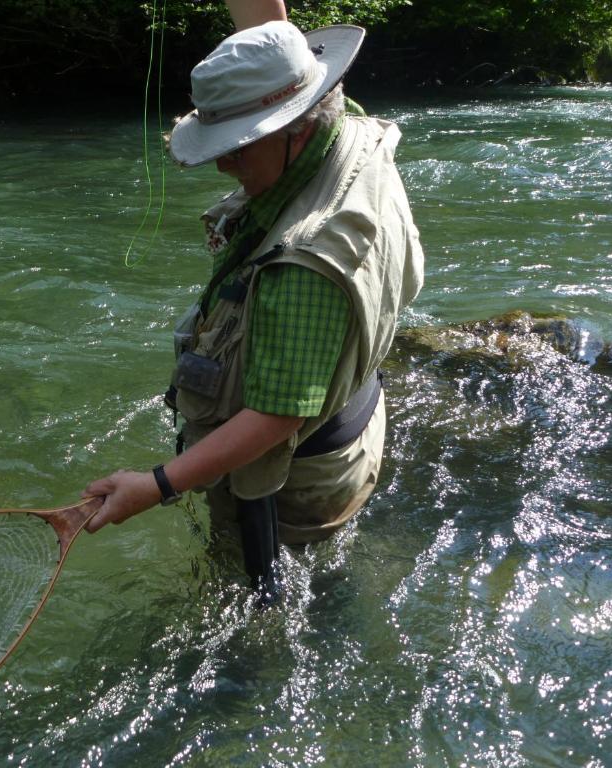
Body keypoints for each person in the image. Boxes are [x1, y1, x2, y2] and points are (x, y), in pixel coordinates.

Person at [83, 3, 423, 592]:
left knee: (260, 608)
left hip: (294, 485)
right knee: (320, 580)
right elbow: (270, 45)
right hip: (355, 415)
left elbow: (277, 416)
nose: (222, 164)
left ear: (300, 126)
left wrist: (158, 485)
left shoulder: (304, 264)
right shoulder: (350, 132)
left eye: (238, 147)